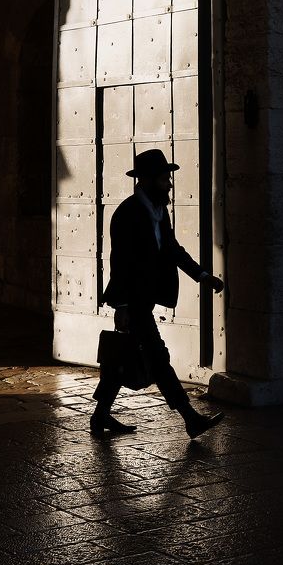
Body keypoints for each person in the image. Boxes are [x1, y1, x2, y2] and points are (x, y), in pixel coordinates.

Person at [91, 148, 225, 440]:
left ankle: (100, 415)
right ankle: (190, 418)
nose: (170, 185)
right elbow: (120, 261)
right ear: (150, 180)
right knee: (158, 357)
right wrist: (122, 305)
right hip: (134, 302)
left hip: (145, 299)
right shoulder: (127, 214)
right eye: (165, 179)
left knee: (125, 357)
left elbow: (172, 249)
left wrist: (203, 276)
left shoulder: (159, 212)